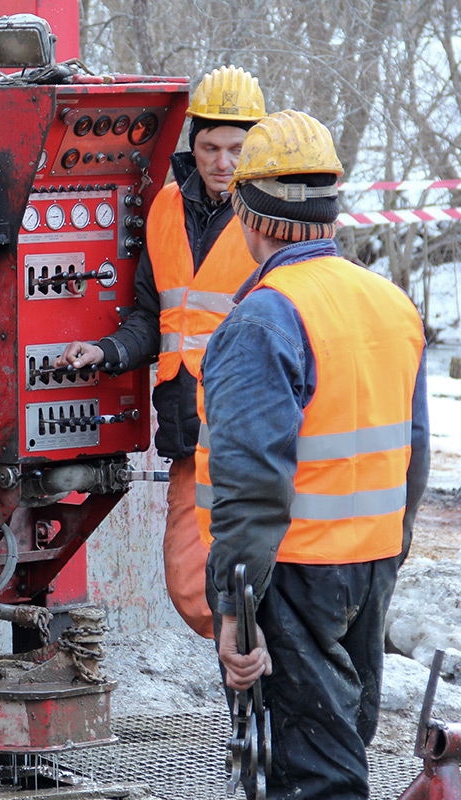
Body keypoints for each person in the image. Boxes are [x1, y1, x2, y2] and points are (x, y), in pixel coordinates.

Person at [196, 109, 429, 798]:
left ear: (248, 214)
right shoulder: (389, 302)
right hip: (370, 559)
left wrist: (236, 609)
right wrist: (388, 551)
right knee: (339, 738)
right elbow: (414, 451)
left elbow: (251, 483)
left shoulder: (265, 317)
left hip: (294, 570)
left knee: (310, 771)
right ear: (332, 211)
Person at [62, 66, 265, 638]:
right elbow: (154, 318)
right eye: (210, 147)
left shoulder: (272, 218)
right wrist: (106, 352)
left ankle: (260, 700)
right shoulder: (166, 209)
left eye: (237, 149)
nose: (224, 162)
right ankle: (252, 675)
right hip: (189, 433)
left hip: (253, 433)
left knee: (257, 586)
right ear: (193, 143)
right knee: (193, 587)